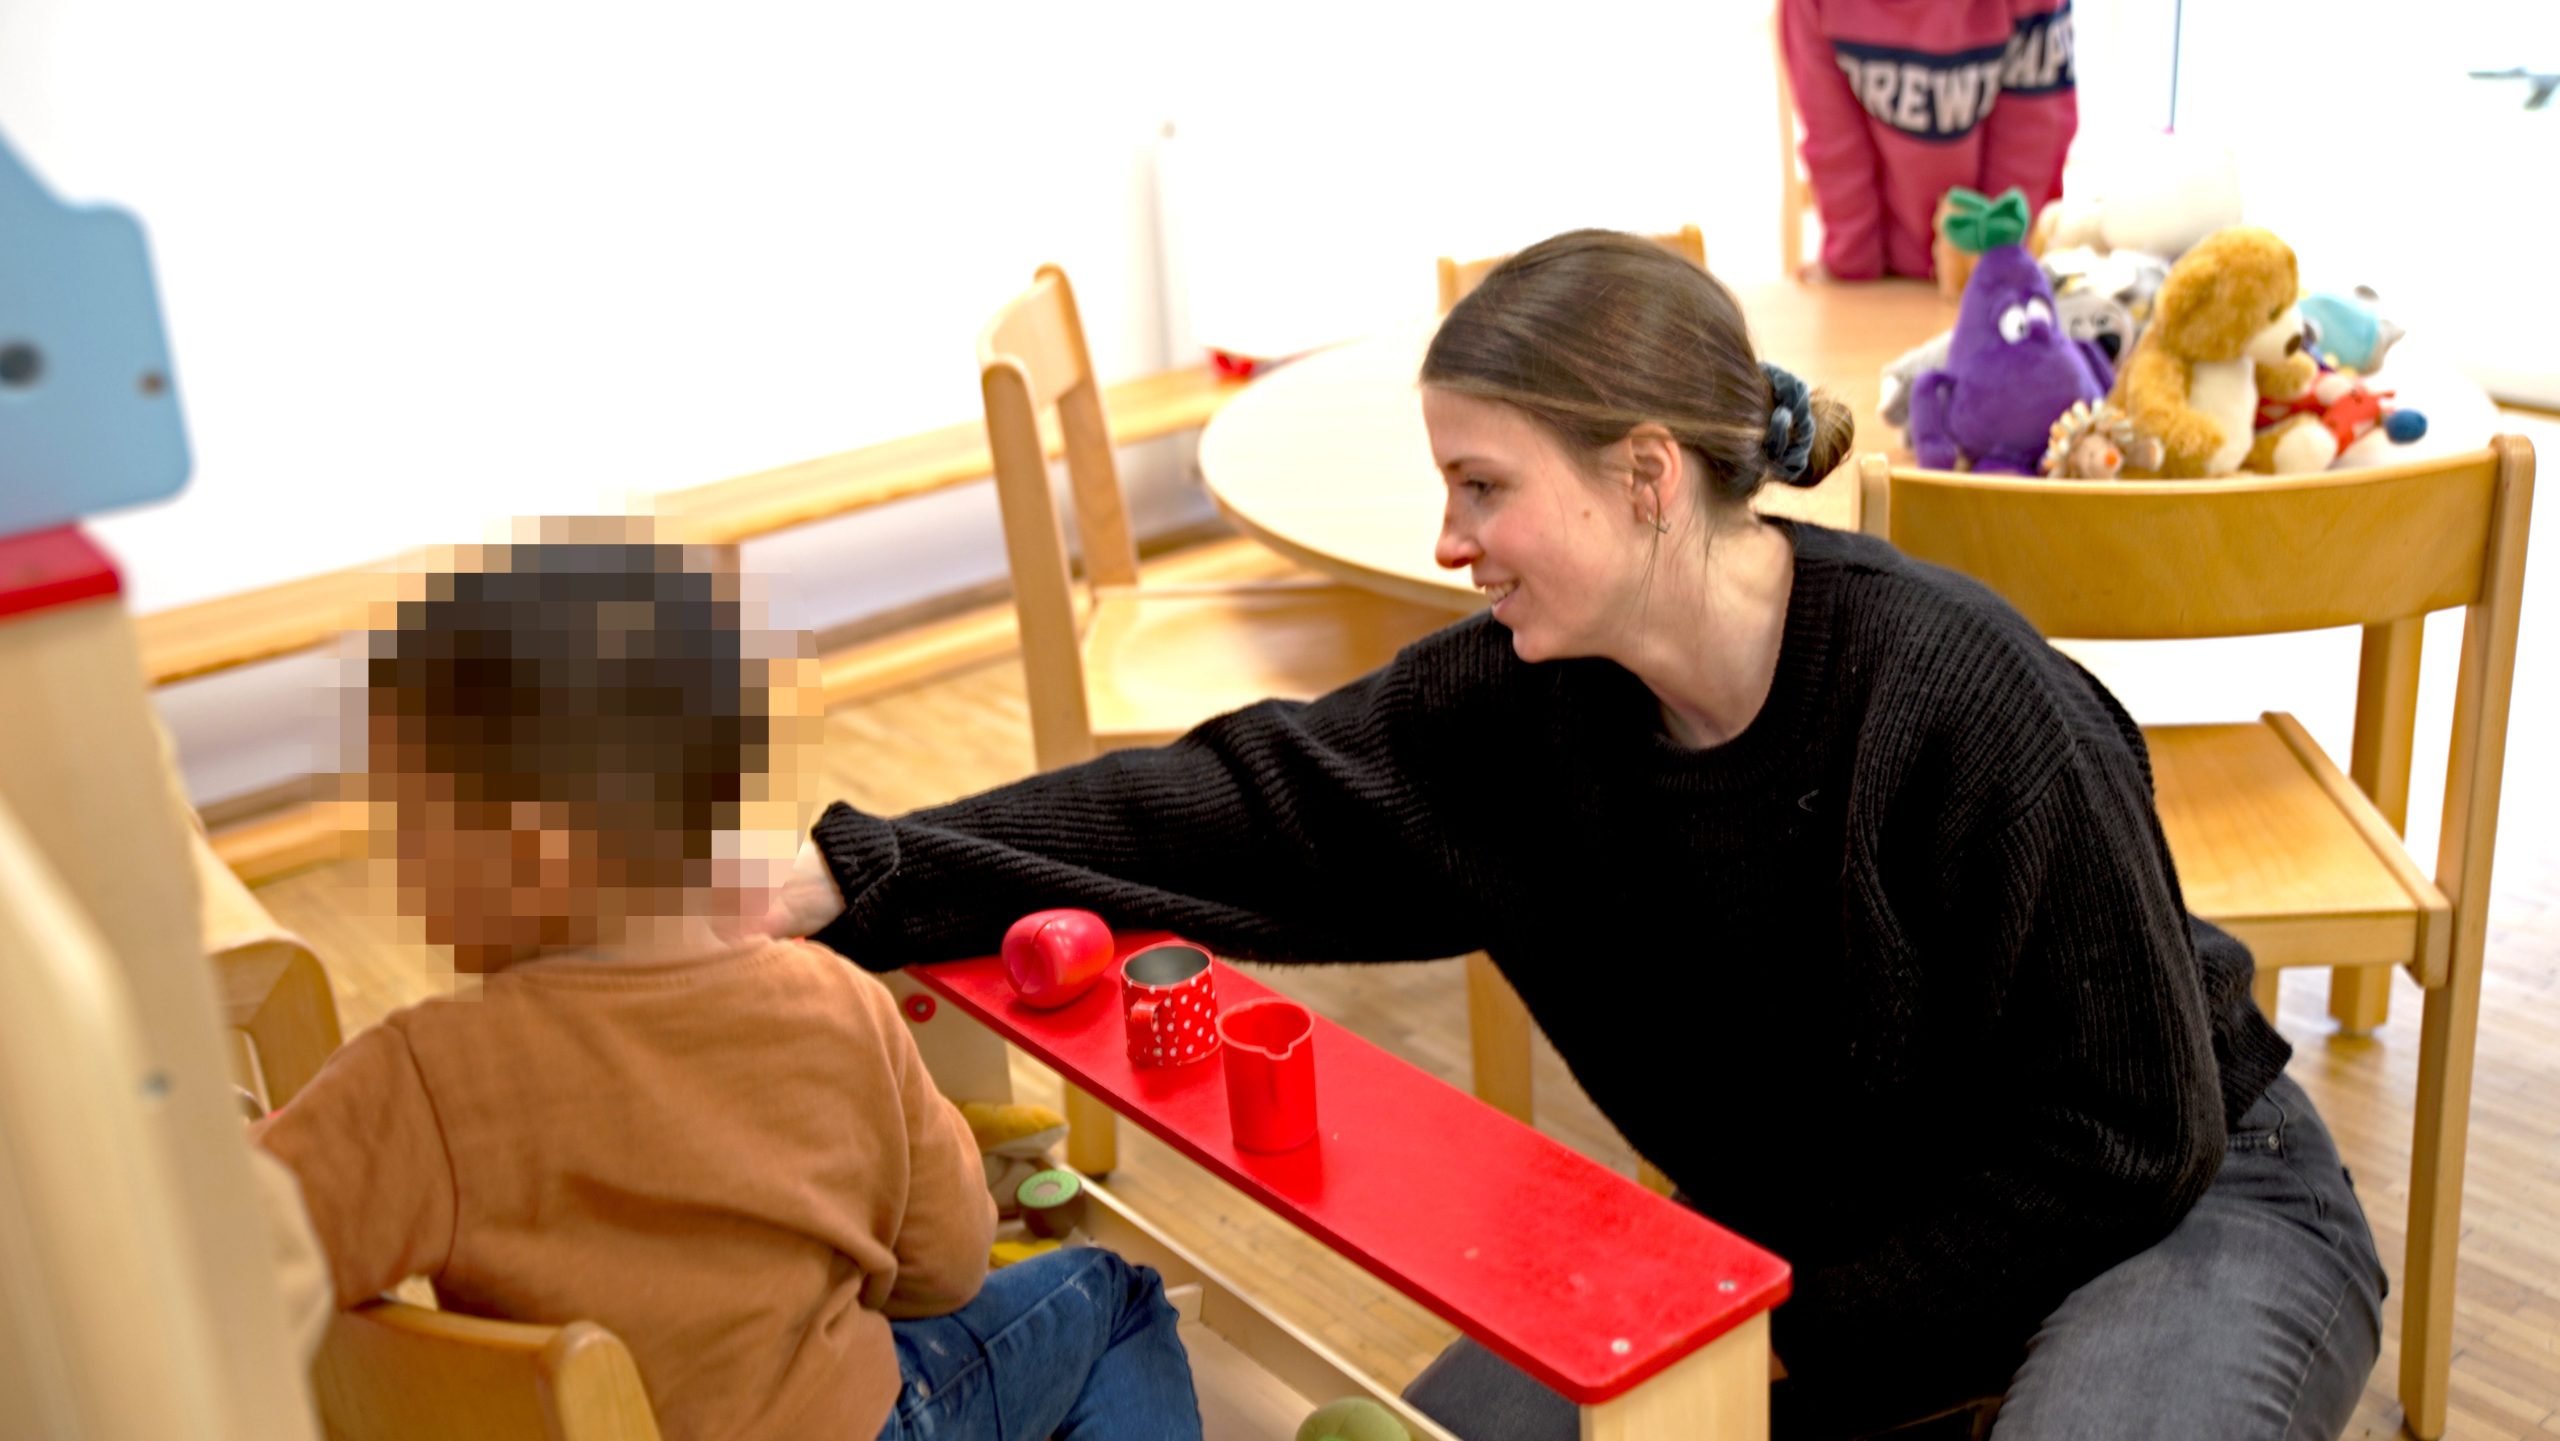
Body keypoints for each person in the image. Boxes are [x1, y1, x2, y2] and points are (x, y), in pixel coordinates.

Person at [771, 232, 2389, 1439]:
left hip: (2189, 1200)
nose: (1449, 538)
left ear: (1647, 476)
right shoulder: (1519, 712)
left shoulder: (1962, 700)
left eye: (1484, 488)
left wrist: (1788, 1340)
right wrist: (862, 870)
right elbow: (1238, 804)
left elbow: (2127, 1138)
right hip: (1811, 1252)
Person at [253, 523, 1202, 1441]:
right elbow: (948, 1268)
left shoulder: (418, 1081)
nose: (399, 872)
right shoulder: (837, 1009)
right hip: (869, 1422)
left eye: (411, 829)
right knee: (1112, 1295)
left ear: (532, 848)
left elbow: (238, 1244)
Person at [1781, 0, 2077, 282]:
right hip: (1886, 274)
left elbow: (2030, 145)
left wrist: (1993, 269)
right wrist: (1852, 267)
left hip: (2005, 272)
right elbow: (1836, 148)